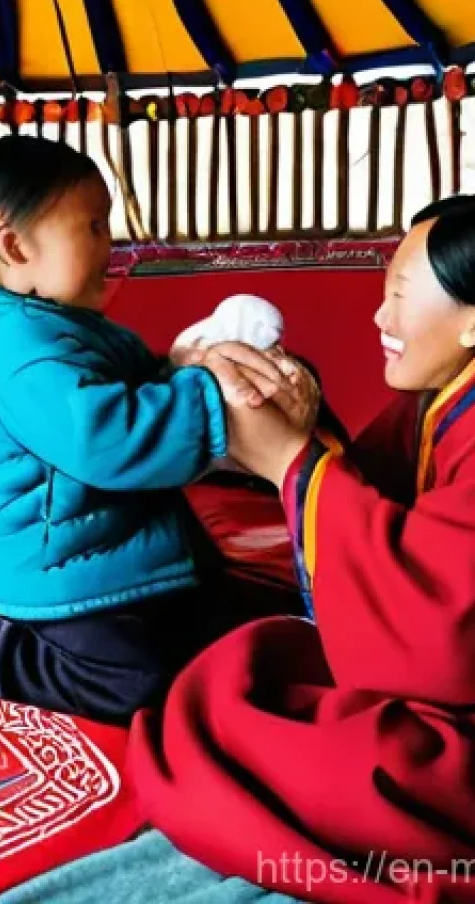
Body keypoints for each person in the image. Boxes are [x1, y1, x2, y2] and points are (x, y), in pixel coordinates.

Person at [0, 135, 315, 725]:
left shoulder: (69, 326)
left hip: (117, 542)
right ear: (13, 244)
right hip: (58, 565)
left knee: (231, 627)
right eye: (94, 226)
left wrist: (183, 364)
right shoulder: (21, 350)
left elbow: (136, 387)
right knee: (137, 684)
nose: (111, 243)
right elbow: (105, 439)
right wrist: (211, 395)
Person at [126, 196, 475, 903]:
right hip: (419, 663)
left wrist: (291, 458)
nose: (380, 319)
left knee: (295, 743)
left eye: (400, 297)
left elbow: (443, 616)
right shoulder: (442, 401)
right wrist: (301, 432)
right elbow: (370, 493)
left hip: (455, 699)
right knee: (247, 663)